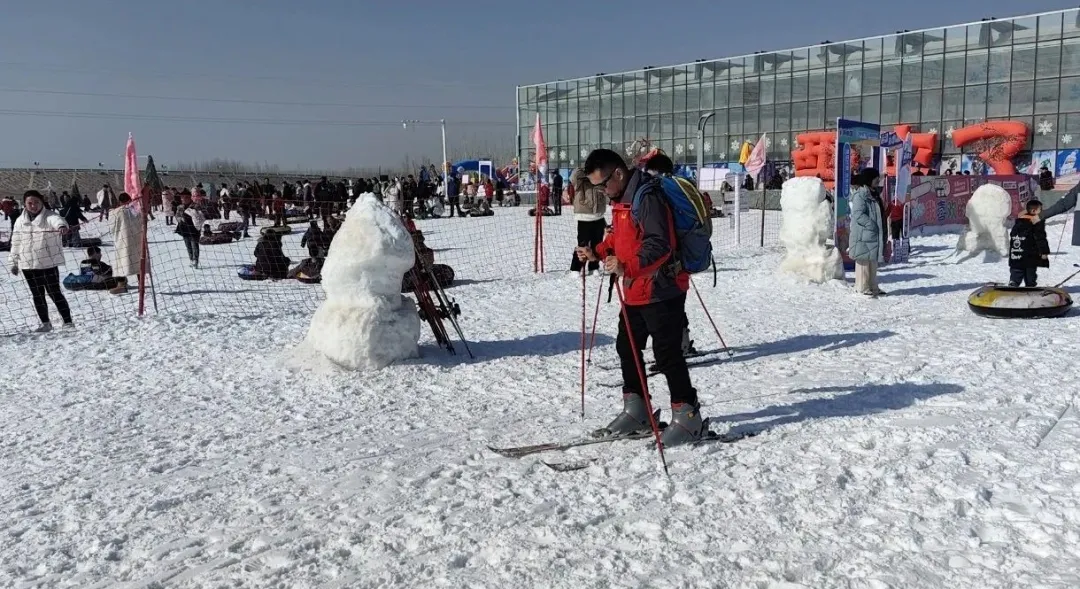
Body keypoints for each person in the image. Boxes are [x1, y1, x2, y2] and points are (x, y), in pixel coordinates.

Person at [575, 149, 705, 447]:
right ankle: (638, 411)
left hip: (662, 289)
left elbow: (660, 244)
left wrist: (626, 267)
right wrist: (597, 251)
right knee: (627, 347)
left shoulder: (647, 197)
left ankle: (688, 418)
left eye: (603, 184)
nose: (601, 191)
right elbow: (621, 239)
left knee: (667, 355)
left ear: (618, 174)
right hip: (635, 289)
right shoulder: (622, 200)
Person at [7, 190, 74, 332]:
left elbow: (57, 221)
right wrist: (13, 262)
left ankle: (68, 322)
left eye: (36, 202)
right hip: (27, 265)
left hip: (47, 264)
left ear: (41, 202)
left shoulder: (49, 216)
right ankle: (46, 323)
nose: (33, 205)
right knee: (37, 295)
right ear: (24, 204)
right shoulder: (20, 221)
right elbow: (16, 242)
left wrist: (62, 226)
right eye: (29, 203)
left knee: (54, 293)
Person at [848, 168, 886, 296]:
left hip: (872, 234)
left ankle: (873, 286)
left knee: (872, 261)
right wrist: (871, 225)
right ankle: (862, 287)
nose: (878, 180)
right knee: (863, 261)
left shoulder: (874, 193)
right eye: (875, 178)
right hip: (863, 234)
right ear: (869, 179)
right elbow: (858, 214)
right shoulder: (861, 195)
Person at [569, 166, 606, 275]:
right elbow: (574, 177)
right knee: (582, 243)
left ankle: (594, 266)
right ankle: (576, 268)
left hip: (598, 215)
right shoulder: (580, 179)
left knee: (598, 243)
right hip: (584, 216)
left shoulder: (600, 179)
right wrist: (585, 169)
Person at [108, 192, 145, 294]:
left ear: (119, 201)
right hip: (137, 240)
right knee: (138, 262)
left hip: (122, 241)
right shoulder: (136, 211)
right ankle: (141, 284)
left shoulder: (115, 212)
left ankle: (121, 284)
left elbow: (111, 227)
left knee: (120, 262)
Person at [1008, 200, 1050, 287]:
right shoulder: (1036, 222)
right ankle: (1030, 286)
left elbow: (1013, 236)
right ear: (1034, 211)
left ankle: (1013, 282)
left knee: (1016, 269)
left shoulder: (1019, 222)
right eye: (1040, 210)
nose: (1042, 212)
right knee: (1030, 272)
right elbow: (1040, 238)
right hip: (1030, 255)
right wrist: (1044, 252)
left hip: (1016, 253)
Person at [175, 191, 205, 269]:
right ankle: (191, 259)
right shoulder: (180, 207)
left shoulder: (195, 206)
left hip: (194, 229)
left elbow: (200, 216)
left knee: (194, 245)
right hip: (184, 229)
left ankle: (195, 260)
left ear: (189, 198)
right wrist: (180, 219)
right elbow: (177, 215)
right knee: (188, 245)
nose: (183, 199)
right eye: (182, 197)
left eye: (185, 197)